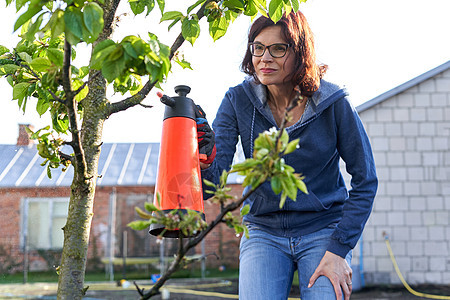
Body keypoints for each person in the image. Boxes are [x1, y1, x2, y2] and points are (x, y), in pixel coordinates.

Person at [197, 11, 378, 300]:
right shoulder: (236, 101)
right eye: (258, 47)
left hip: (323, 231)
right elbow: (213, 183)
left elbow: (366, 180)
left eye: (278, 48)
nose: (264, 58)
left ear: (300, 52)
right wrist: (203, 152)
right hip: (263, 230)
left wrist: (339, 249)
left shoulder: (334, 103)